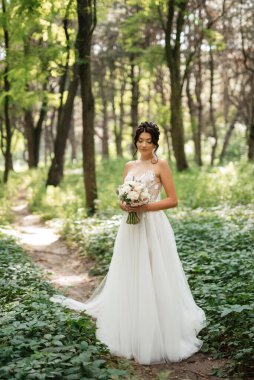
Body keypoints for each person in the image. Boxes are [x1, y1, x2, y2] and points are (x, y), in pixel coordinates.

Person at [51, 121, 207, 365]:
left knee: (154, 272)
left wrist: (145, 206)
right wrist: (125, 204)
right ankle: (131, 328)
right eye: (140, 140)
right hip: (130, 227)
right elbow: (121, 197)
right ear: (136, 141)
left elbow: (173, 200)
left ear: (156, 143)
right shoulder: (129, 165)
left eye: (149, 141)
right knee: (131, 272)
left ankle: (159, 331)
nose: (144, 144)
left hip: (154, 227)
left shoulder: (161, 165)